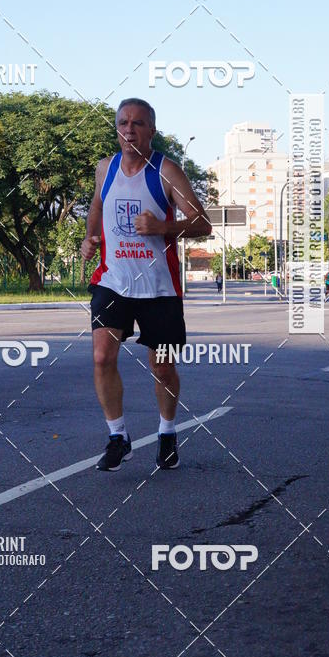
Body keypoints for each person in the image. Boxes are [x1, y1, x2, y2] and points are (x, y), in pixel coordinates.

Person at [80, 98, 212, 471]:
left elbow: (203, 223)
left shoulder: (166, 171)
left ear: (151, 130)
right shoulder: (105, 169)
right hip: (113, 281)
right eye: (123, 123)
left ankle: (167, 431)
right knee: (102, 357)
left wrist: (163, 227)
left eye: (138, 123)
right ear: (116, 129)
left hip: (159, 287)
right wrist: (90, 239)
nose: (129, 130)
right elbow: (96, 206)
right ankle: (117, 436)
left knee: (163, 368)